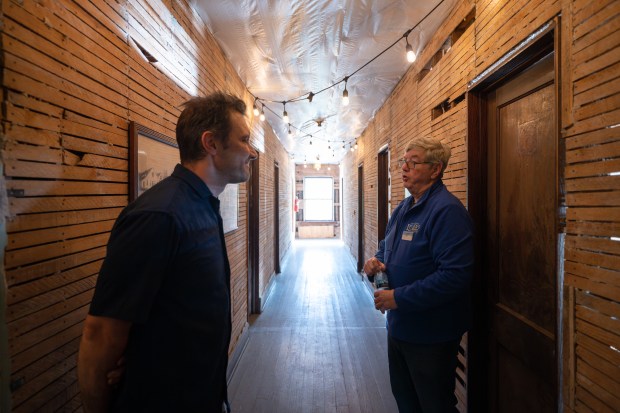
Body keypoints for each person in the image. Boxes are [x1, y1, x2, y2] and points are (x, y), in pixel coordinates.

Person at [78, 92, 258, 413]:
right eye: (244, 139)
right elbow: (101, 333)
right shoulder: (160, 216)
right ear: (211, 144)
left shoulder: (202, 207)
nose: (252, 151)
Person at [364, 136, 474, 413]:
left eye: (413, 163)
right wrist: (374, 265)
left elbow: (455, 276)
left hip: (431, 334)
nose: (404, 168)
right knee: (406, 401)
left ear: (435, 170)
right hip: (400, 327)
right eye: (403, 162)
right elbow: (385, 250)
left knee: (434, 405)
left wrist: (399, 297)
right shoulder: (403, 208)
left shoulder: (447, 211)